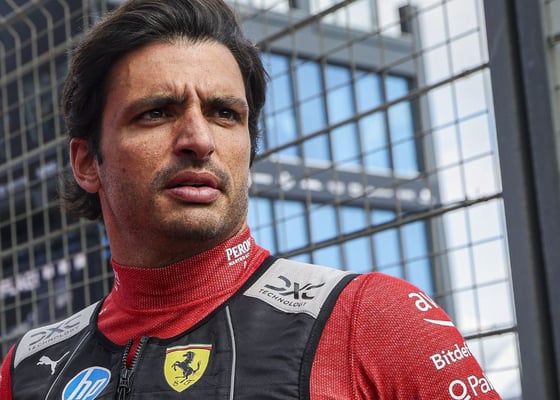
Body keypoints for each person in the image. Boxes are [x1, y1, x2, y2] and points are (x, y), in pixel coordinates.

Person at [0, 0, 502, 398]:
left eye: (224, 113)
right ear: (87, 162)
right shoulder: (27, 368)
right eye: (156, 113)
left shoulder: (372, 318)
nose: (199, 139)